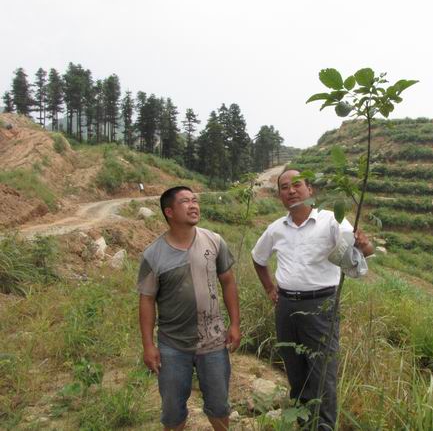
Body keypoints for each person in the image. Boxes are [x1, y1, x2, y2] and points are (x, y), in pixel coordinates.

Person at [251, 169, 374, 430]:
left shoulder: (331, 221)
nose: (291, 191)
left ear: (310, 190)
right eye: (284, 187)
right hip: (285, 307)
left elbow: (362, 250)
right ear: (280, 196)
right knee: (295, 371)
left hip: (321, 307)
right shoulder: (276, 229)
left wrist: (364, 245)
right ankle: (301, 423)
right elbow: (258, 258)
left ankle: (323, 426)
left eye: (296, 185)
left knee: (322, 375)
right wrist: (270, 289)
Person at [137, 186, 241, 431]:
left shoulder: (214, 241)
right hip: (172, 345)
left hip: (214, 341)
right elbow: (146, 300)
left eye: (195, 200)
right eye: (186, 201)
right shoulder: (154, 255)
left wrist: (235, 324)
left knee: (219, 404)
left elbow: (228, 281)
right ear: (169, 211)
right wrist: (148, 345)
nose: (194, 205)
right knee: (172, 409)